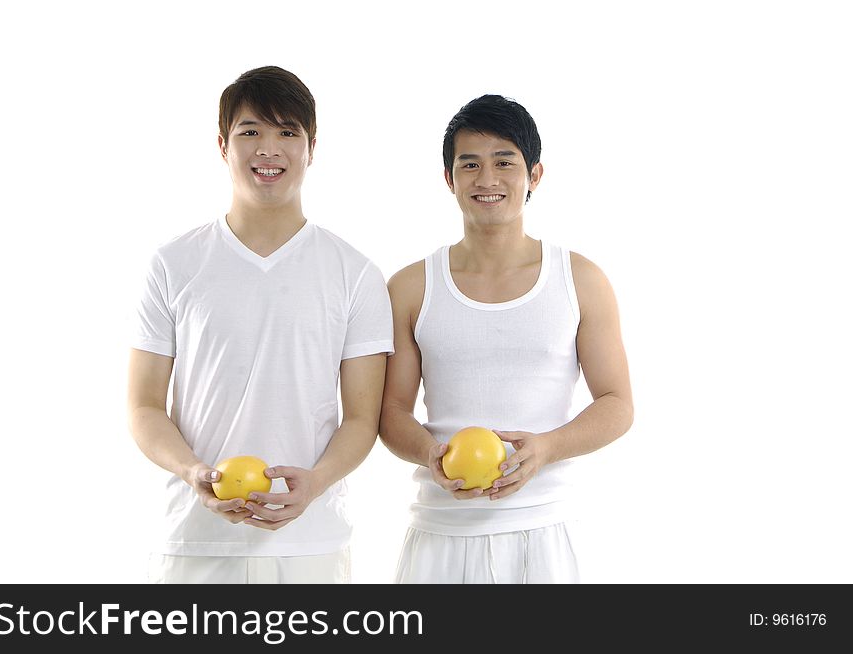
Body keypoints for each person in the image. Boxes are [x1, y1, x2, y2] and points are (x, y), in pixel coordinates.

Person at [127, 66, 393, 584]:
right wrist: (191, 472)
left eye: (287, 133)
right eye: (251, 132)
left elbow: (362, 419)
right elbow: (142, 406)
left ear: (311, 147)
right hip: (194, 542)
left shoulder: (354, 272)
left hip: (310, 545)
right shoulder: (173, 264)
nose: (268, 150)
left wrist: (313, 484)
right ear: (223, 144)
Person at [379, 94, 633, 583]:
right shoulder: (411, 286)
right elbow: (390, 412)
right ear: (449, 179)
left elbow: (618, 402)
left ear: (534, 175)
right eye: (469, 164)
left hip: (544, 531)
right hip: (441, 534)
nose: (487, 179)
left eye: (504, 162)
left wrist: (547, 448)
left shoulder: (580, 279)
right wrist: (430, 454)